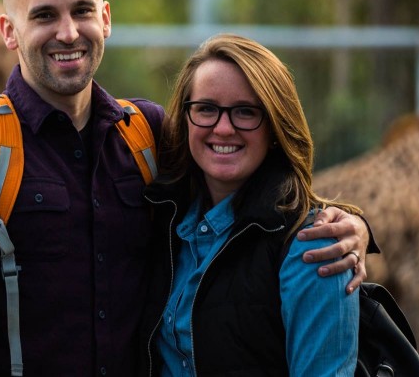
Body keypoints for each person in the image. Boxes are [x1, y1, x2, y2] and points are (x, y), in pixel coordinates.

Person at [0, 0, 370, 376]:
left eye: (82, 11)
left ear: (105, 19)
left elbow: (244, 185)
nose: (67, 32)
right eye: (44, 15)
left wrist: (353, 224)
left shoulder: (146, 132)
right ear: (10, 31)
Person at [145, 34, 364, 376]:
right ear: (185, 117)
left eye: (246, 112)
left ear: (276, 127)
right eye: (206, 109)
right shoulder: (161, 217)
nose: (223, 128)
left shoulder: (316, 246)